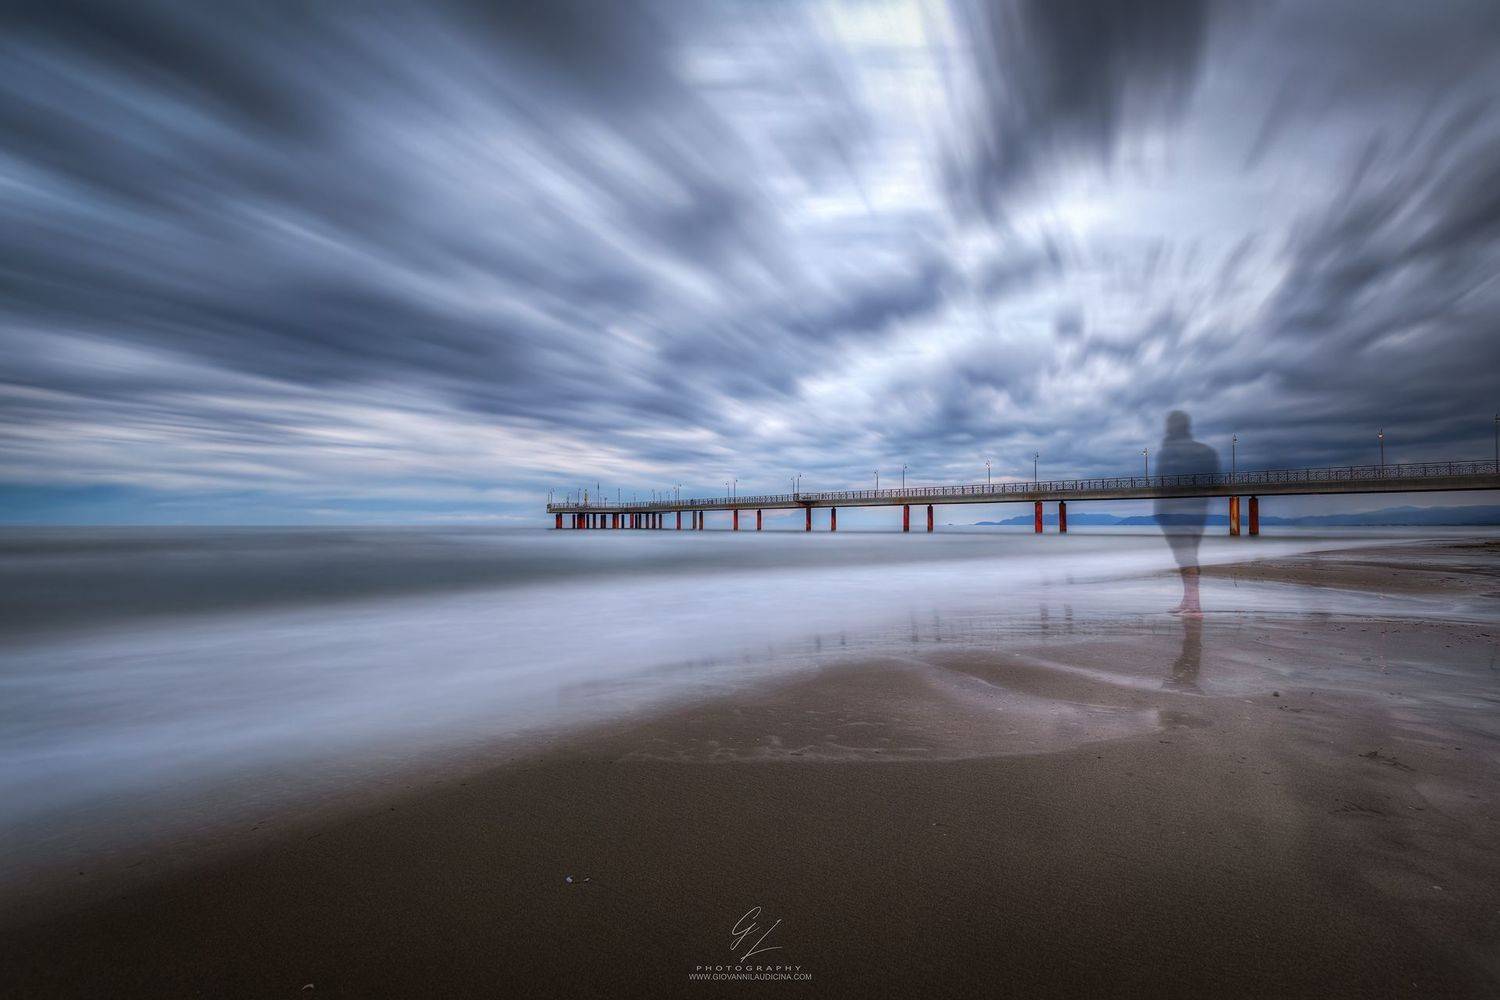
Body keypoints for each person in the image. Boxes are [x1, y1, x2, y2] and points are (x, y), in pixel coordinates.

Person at [1154, 411, 1219, 615]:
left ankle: (1194, 605)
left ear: (1172, 426)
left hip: (1175, 511)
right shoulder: (1207, 451)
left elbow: (1161, 483)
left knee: (1185, 558)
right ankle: (1188, 600)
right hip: (1198, 511)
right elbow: (1215, 482)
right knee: (1189, 557)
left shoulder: (1167, 452)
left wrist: (1160, 511)